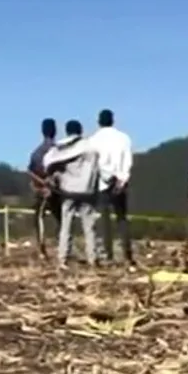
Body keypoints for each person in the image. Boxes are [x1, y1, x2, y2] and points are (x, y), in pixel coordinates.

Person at [44, 120, 101, 268]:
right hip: (87, 191)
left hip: (69, 192)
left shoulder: (62, 148)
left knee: (66, 227)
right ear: (81, 130)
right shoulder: (90, 147)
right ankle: (92, 259)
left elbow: (49, 162)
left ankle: (63, 259)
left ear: (67, 131)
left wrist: (56, 176)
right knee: (89, 228)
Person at [87, 109, 135, 266]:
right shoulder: (124, 138)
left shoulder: (93, 141)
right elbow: (128, 161)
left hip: (102, 183)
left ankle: (108, 255)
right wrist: (122, 179)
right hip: (121, 183)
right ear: (113, 120)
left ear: (99, 121)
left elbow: (95, 164)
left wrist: (108, 177)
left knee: (104, 220)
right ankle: (127, 255)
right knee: (122, 218)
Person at [27, 119, 60, 257]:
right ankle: (63, 248)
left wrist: (40, 184)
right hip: (59, 191)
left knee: (39, 219)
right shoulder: (60, 150)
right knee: (62, 219)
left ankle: (42, 250)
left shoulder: (37, 152)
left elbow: (29, 171)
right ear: (55, 130)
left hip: (42, 191)